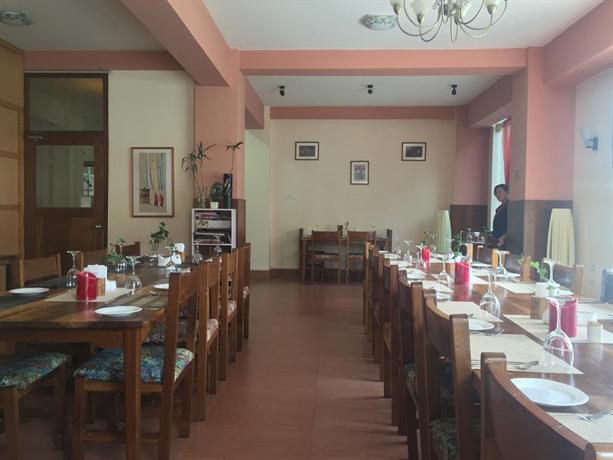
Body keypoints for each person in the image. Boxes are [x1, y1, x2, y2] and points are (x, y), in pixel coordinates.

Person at [492, 184, 509, 249]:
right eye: (496, 193)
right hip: (496, 237)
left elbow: (512, 225)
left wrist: (504, 236)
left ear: (506, 192)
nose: (498, 195)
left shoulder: (510, 207)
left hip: (505, 239)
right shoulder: (498, 209)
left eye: (500, 192)